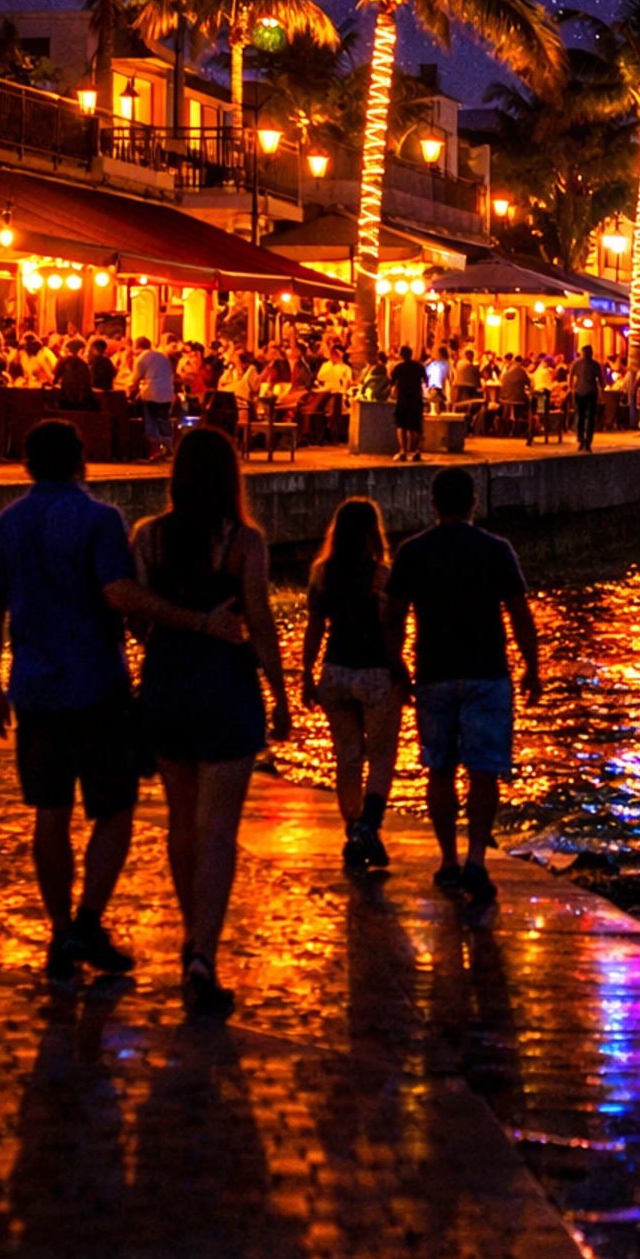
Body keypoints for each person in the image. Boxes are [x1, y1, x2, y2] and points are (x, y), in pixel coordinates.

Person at [0, 419, 245, 985]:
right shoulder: (101, 521)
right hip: (97, 686)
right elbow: (122, 595)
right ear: (82, 462)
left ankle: (59, 932)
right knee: (115, 810)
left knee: (49, 814)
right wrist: (197, 622)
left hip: (33, 690)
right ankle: (89, 920)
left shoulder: (3, 527)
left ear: (26, 464)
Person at [130, 428, 291, 1018]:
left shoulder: (148, 538)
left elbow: (137, 612)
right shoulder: (243, 541)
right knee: (219, 828)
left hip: (167, 681)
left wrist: (172, 631)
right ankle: (204, 952)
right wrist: (280, 693)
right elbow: (261, 620)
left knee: (181, 821)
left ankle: (193, 932)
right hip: (225, 684)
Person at [384, 465, 540, 906]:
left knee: (439, 770)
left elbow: (393, 618)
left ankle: (448, 861)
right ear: (474, 502)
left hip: (433, 673)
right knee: (483, 771)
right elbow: (519, 615)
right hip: (487, 673)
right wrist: (532, 668)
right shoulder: (496, 550)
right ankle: (476, 859)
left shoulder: (413, 552)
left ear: (433, 505)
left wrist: (398, 669)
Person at [302, 498, 409, 872]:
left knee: (347, 755)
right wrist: (402, 671)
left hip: (335, 673)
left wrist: (305, 673)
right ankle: (368, 825)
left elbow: (315, 629)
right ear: (371, 533)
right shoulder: (383, 577)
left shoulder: (322, 574)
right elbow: (392, 628)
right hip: (375, 674)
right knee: (381, 755)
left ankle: (353, 830)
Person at [132, 334, 176, 459]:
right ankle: (168, 448)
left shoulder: (141, 359)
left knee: (151, 420)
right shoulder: (162, 357)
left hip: (151, 392)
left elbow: (135, 380)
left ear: (138, 347)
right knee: (164, 419)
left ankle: (154, 449)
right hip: (167, 393)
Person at [390, 343, 427, 460]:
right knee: (415, 426)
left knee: (401, 425)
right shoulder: (419, 367)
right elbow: (425, 381)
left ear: (401, 355)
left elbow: (392, 383)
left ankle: (403, 450)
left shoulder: (398, 368)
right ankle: (415, 451)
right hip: (416, 398)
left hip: (403, 399)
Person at [570, 343, 600, 452]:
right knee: (587, 417)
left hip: (583, 392)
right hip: (588, 392)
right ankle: (585, 440)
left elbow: (571, 376)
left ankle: (584, 439)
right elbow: (600, 380)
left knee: (582, 416)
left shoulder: (578, 364)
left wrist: (571, 388)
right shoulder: (594, 364)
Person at [55, 337, 98, 411]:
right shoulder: (84, 363)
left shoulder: (63, 361)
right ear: (81, 350)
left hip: (65, 400)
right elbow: (88, 382)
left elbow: (55, 379)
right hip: (82, 401)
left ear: (68, 349)